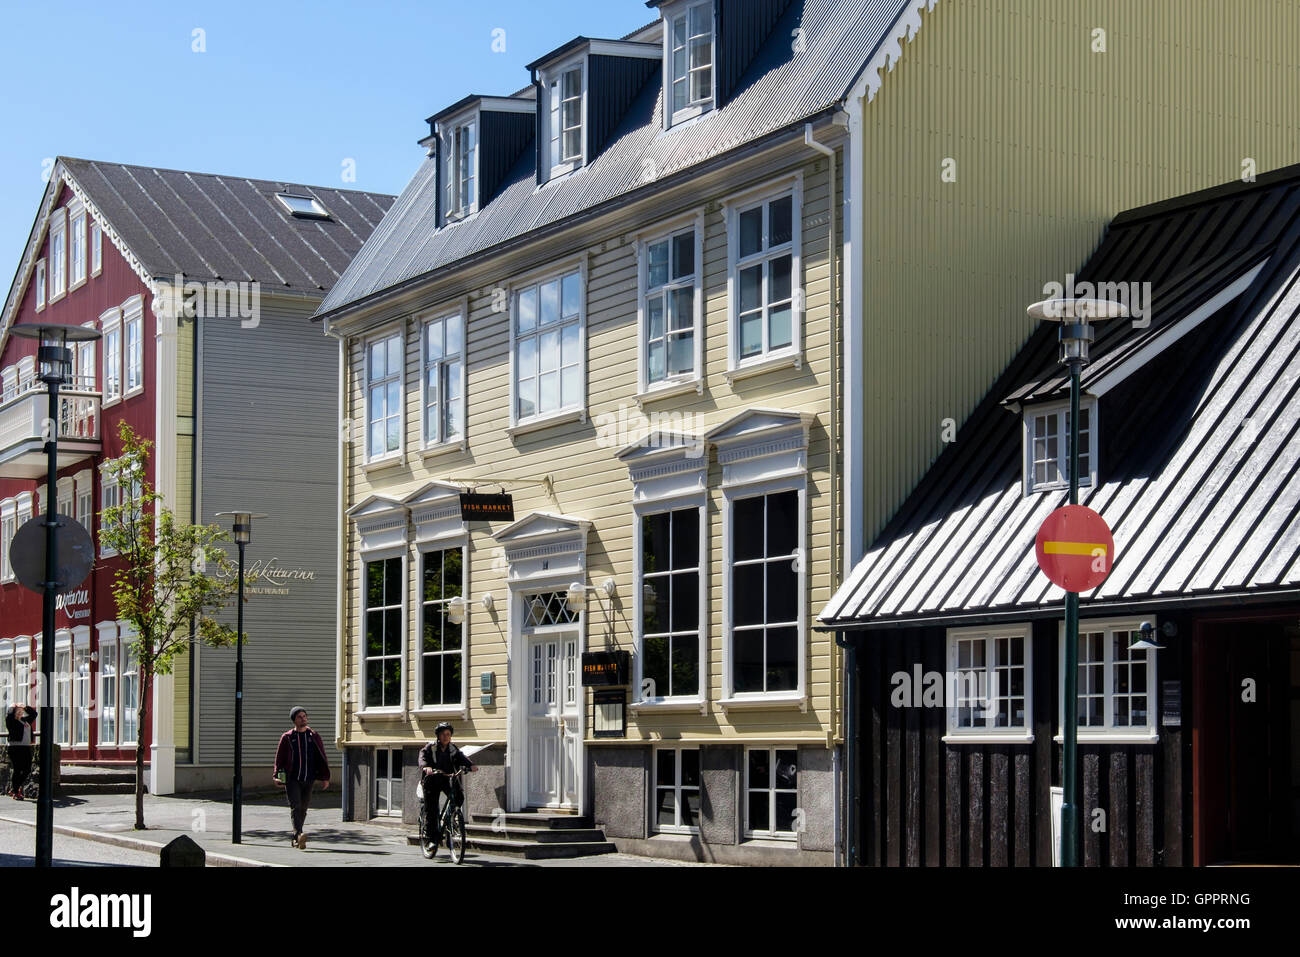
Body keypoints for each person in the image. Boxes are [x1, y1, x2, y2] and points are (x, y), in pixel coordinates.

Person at [273, 706, 330, 849]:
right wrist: (276, 776)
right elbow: (279, 759)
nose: (303, 719)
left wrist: (325, 777)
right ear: (294, 720)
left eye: (305, 716)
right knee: (296, 806)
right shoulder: (287, 738)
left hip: (309, 778)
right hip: (292, 779)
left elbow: (322, 757)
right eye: (300, 717)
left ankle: (296, 838)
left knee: (303, 808)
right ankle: (299, 833)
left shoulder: (313, 736)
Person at [418, 722, 476, 845]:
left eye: (448, 734)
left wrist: (471, 765)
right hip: (431, 780)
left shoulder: (452, 748)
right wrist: (426, 766)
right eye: (443, 734)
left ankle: (449, 817)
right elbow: (422, 757)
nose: (446, 737)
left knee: (459, 797)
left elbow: (461, 757)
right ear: (438, 736)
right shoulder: (431, 747)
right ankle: (431, 838)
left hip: (446, 779)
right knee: (432, 809)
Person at [5, 704, 37, 800]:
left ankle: (14, 788)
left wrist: (25, 707)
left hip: (26, 747)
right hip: (15, 748)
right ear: (13, 713)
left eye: (21, 711)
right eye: (17, 711)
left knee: (27, 769)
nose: (20, 712)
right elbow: (9, 714)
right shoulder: (11, 721)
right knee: (18, 769)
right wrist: (13, 706)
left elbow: (34, 714)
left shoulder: (24, 720)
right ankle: (16, 792)